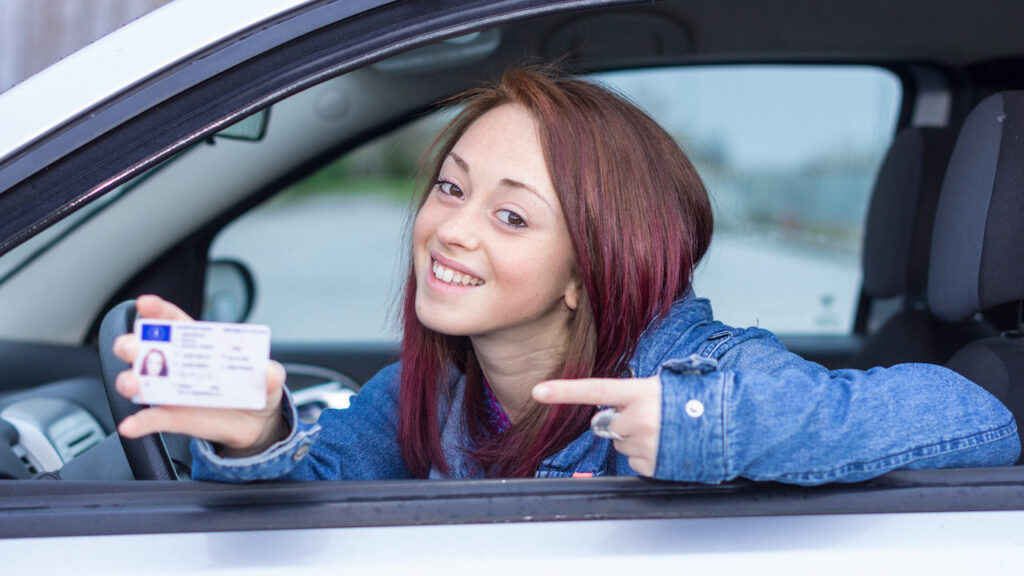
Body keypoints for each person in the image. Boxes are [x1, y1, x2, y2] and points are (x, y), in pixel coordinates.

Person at [111, 68, 1020, 485]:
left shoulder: (697, 369)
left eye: (510, 215)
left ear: (590, 267)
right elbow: (319, 498)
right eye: (449, 188)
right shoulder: (427, 394)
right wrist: (255, 432)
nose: (449, 231)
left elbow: (974, 418)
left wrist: (703, 429)